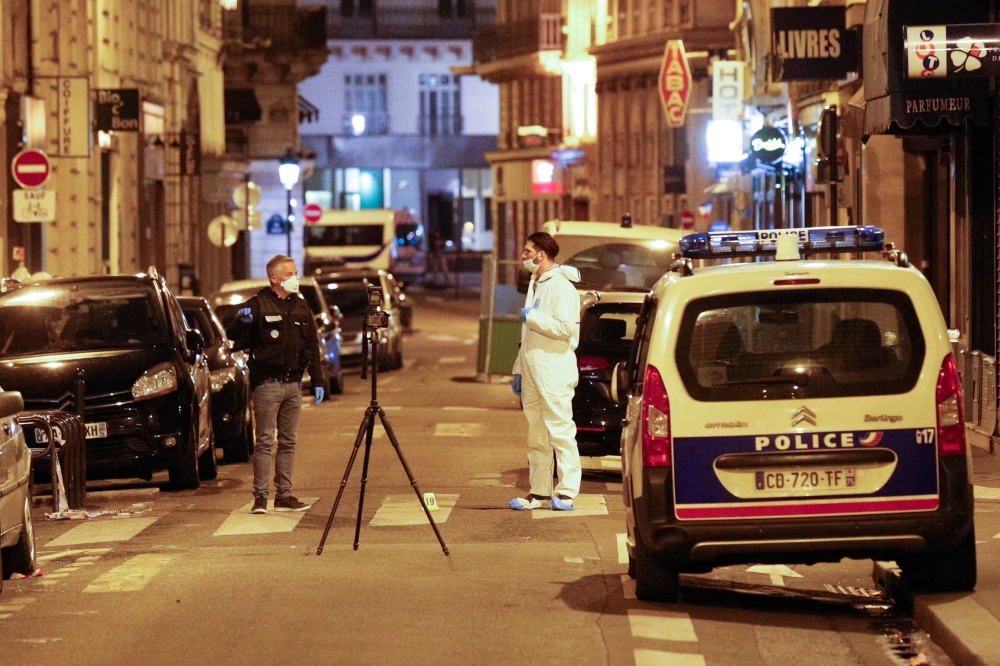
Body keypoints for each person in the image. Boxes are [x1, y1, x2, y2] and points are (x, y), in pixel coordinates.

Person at [227, 255, 324, 515]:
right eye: (290, 274)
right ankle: (260, 497)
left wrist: (317, 381)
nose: (295, 278)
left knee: (289, 443)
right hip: (267, 385)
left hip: (294, 384)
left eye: (295, 273)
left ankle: (285, 495)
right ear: (275, 278)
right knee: (265, 442)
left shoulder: (302, 307)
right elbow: (232, 335)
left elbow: (311, 347)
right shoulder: (258, 305)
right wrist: (242, 322)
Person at [509, 232, 582, 511]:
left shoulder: (561, 287)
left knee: (561, 431)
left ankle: (566, 492)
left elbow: (566, 329)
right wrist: (519, 369)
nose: (524, 256)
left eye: (528, 251)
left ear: (541, 255)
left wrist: (533, 317)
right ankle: (539, 491)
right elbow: (527, 337)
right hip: (533, 370)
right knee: (536, 434)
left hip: (553, 370)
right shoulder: (536, 283)